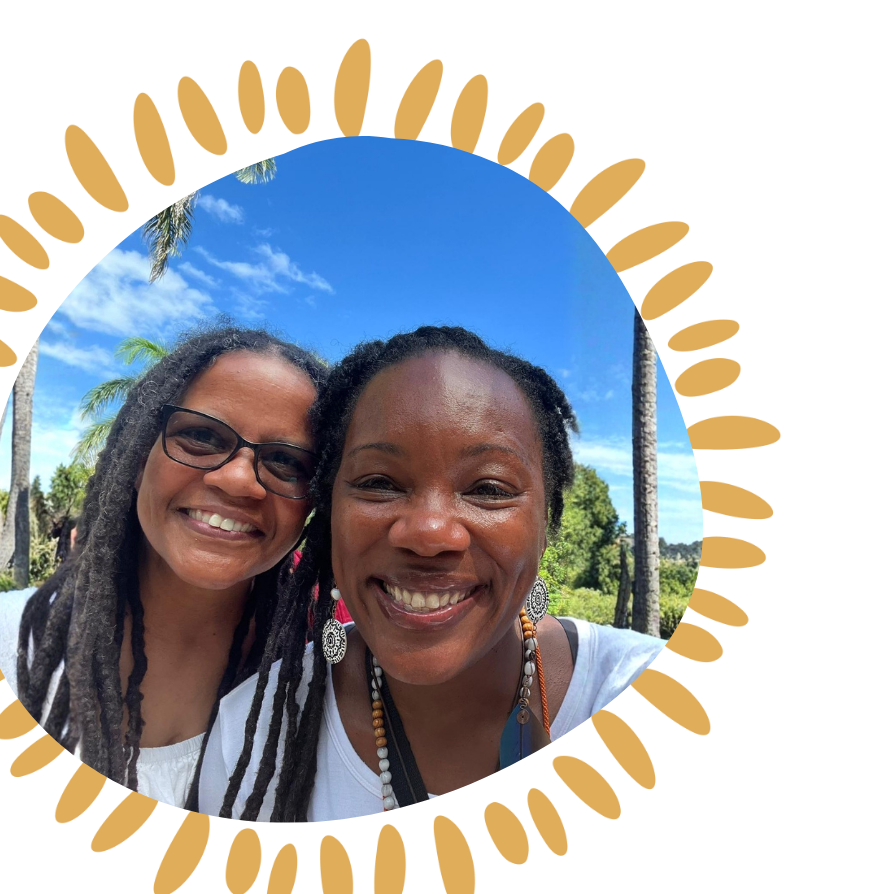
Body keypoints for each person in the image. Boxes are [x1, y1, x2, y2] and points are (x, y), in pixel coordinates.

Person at [199, 325, 666, 823]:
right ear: (329, 511)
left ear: (545, 524)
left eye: (488, 488)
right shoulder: (250, 736)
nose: (428, 533)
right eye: (379, 482)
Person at [0, 321, 327, 809]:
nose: (238, 481)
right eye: (201, 436)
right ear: (140, 452)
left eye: (287, 462)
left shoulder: (317, 697)